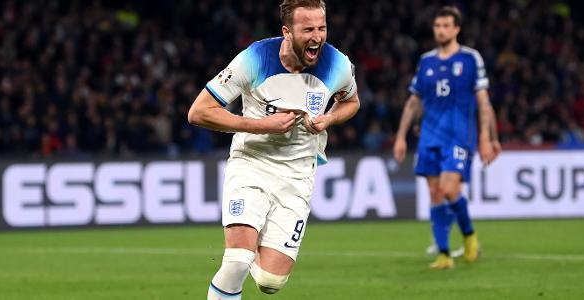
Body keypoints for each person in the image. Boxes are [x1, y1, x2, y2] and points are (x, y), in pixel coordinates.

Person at [188, 0, 360, 298]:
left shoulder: (338, 64)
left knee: (270, 282)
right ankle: (241, 251)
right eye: (308, 29)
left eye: (322, 28)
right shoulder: (253, 59)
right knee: (237, 261)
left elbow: (351, 101)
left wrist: (329, 118)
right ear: (287, 32)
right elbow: (199, 112)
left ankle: (251, 249)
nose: (317, 37)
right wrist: (262, 126)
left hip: (297, 175)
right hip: (251, 164)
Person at [393, 6, 501, 269]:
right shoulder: (426, 61)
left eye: (445, 26)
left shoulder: (470, 59)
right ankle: (443, 254)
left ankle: (469, 235)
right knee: (434, 193)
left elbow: (484, 102)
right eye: (437, 26)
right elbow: (413, 102)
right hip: (429, 136)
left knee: (450, 189)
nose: (440, 30)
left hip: (459, 136)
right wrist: (401, 136)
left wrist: (486, 138)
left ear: (456, 29)